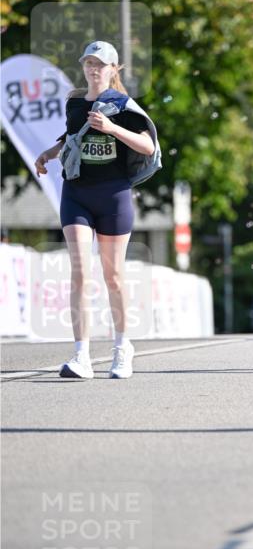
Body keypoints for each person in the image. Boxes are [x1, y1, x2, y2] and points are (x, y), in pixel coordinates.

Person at [34, 41, 159, 380]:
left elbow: (148, 146)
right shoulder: (74, 102)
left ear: (114, 69)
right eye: (89, 62)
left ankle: (122, 348)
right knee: (79, 272)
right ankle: (81, 355)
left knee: (113, 276)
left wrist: (113, 128)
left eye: (101, 64)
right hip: (76, 194)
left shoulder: (124, 106)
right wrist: (47, 154)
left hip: (114, 197)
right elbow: (71, 138)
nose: (94, 69)